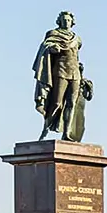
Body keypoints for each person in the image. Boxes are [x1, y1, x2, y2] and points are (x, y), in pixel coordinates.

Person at [33, 10, 85, 141]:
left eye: (68, 20)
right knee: (57, 103)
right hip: (60, 71)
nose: (66, 22)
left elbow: (76, 57)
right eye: (64, 20)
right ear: (59, 21)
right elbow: (45, 47)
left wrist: (82, 73)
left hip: (75, 74)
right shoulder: (53, 34)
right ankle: (45, 129)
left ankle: (66, 133)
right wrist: (51, 48)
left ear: (72, 22)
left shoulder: (77, 39)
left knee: (71, 103)